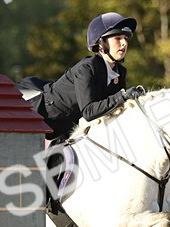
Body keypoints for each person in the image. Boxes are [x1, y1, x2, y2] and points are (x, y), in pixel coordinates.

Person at [30, 12, 146, 143]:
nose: (124, 43)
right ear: (101, 44)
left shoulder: (120, 72)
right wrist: (123, 96)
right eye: (118, 38)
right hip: (35, 122)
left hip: (65, 133)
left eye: (125, 38)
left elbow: (114, 109)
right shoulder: (86, 68)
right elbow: (89, 111)